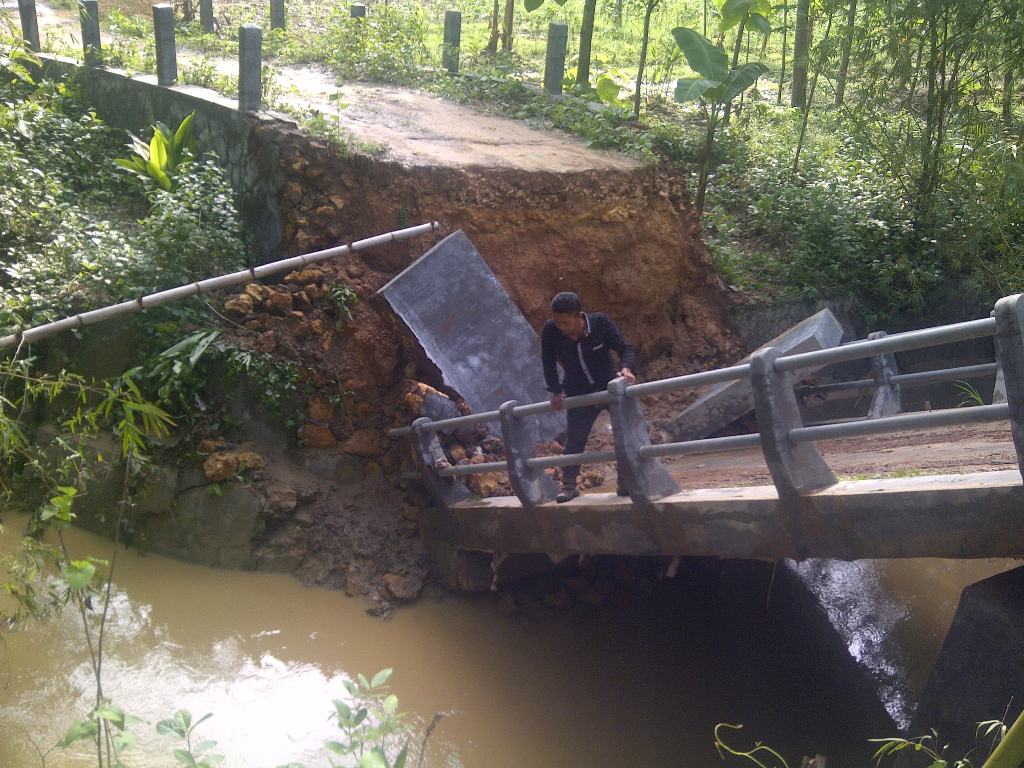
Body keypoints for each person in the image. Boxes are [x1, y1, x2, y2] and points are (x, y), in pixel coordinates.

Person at [541, 291, 636, 503]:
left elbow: (625, 347)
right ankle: (569, 486)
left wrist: (627, 368)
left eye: (565, 322)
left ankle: (626, 481)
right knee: (575, 440)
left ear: (578, 316)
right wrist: (556, 390)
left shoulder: (600, 324)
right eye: (557, 321)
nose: (561, 327)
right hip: (578, 391)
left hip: (608, 386)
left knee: (625, 433)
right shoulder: (551, 330)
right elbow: (547, 360)